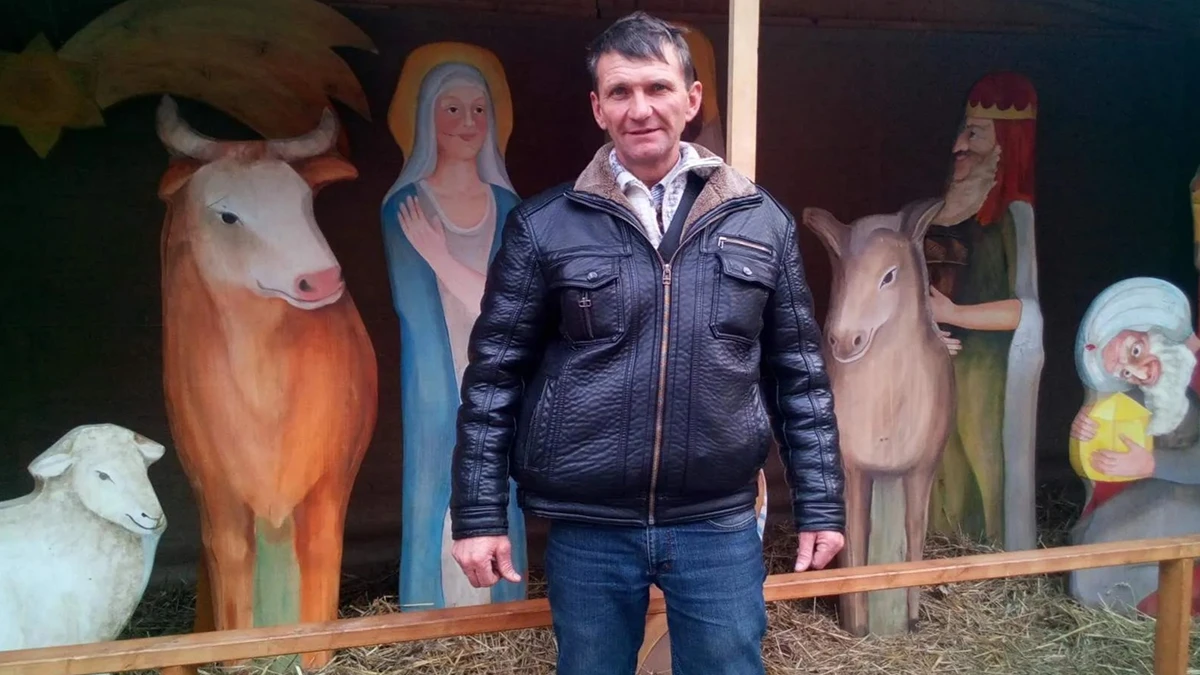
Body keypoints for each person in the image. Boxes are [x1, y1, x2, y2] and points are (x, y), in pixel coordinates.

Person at [448, 11, 846, 675]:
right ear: (598, 108)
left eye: (658, 87)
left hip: (716, 522)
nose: (640, 109)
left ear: (691, 99)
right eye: (621, 92)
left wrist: (822, 503)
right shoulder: (545, 226)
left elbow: (799, 376)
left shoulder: (760, 223)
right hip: (590, 523)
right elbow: (494, 377)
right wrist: (479, 513)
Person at [380, 54, 528, 611]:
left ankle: (504, 608)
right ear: (426, 118)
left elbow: (513, 307)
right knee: (434, 481)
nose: (468, 123)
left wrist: (440, 257)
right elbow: (414, 310)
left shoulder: (509, 207)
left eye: (479, 109)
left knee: (501, 483)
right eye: (452, 109)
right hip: (436, 373)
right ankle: (427, 611)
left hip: (502, 369)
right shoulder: (404, 205)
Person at [918, 71, 1044, 550]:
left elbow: (1025, 310)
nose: (959, 147)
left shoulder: (1013, 217)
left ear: (1004, 142)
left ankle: (997, 562)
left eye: (974, 134)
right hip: (936, 358)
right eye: (961, 132)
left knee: (983, 457)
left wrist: (953, 314)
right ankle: (945, 553)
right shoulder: (933, 214)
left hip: (984, 361)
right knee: (937, 461)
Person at [1066, 277, 1200, 615]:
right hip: (1167, 490)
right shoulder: (1161, 385)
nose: (1139, 374)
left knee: (1104, 560)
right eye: (1126, 373)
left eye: (1135, 351)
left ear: (1157, 327)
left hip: (1191, 499)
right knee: (1088, 538)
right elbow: (1124, 422)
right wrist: (1089, 427)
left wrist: (1151, 464)